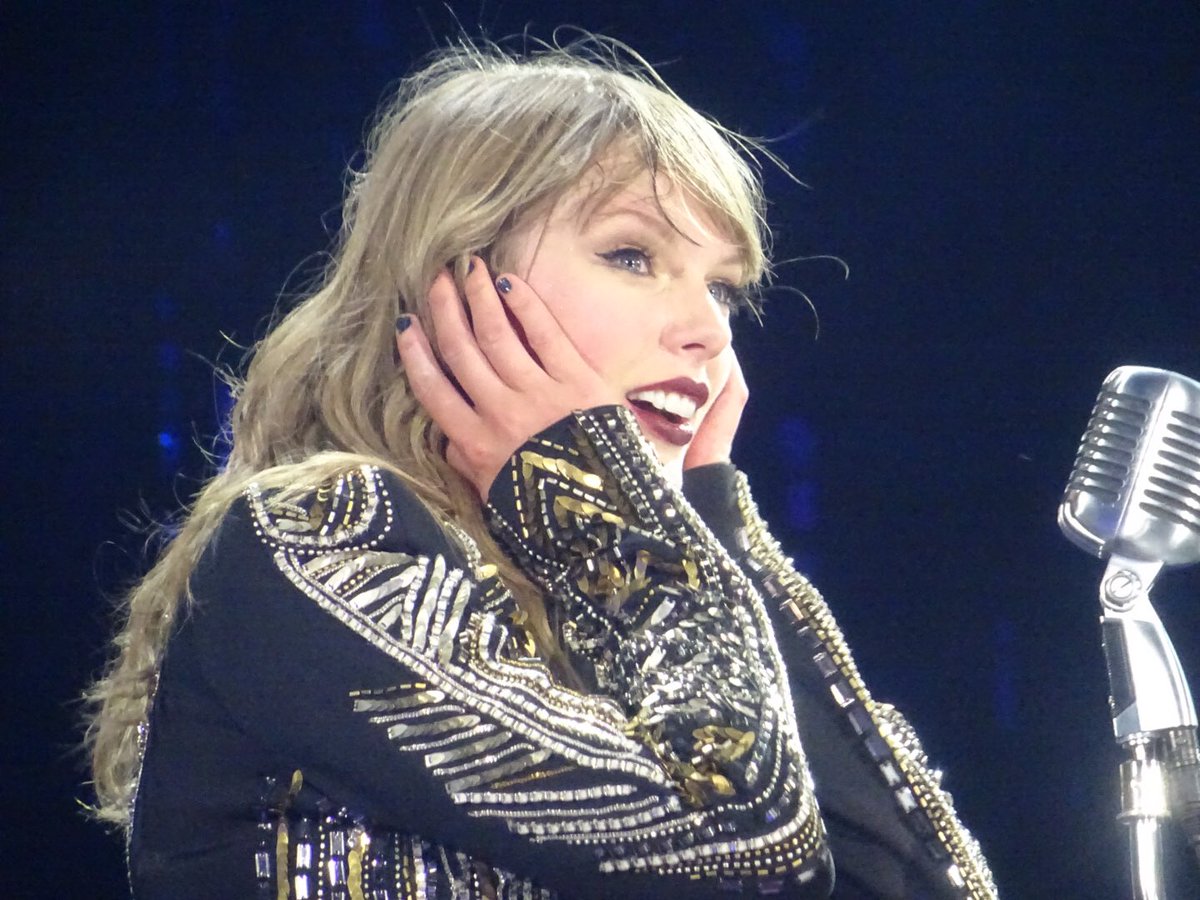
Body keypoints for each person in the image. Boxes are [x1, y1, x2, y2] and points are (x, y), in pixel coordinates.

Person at [85, 37, 997, 899]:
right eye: (633, 256)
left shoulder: (601, 587)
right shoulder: (320, 535)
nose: (709, 333)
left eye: (722, 288)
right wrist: (597, 497)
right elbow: (749, 849)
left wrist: (718, 527)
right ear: (456, 278)